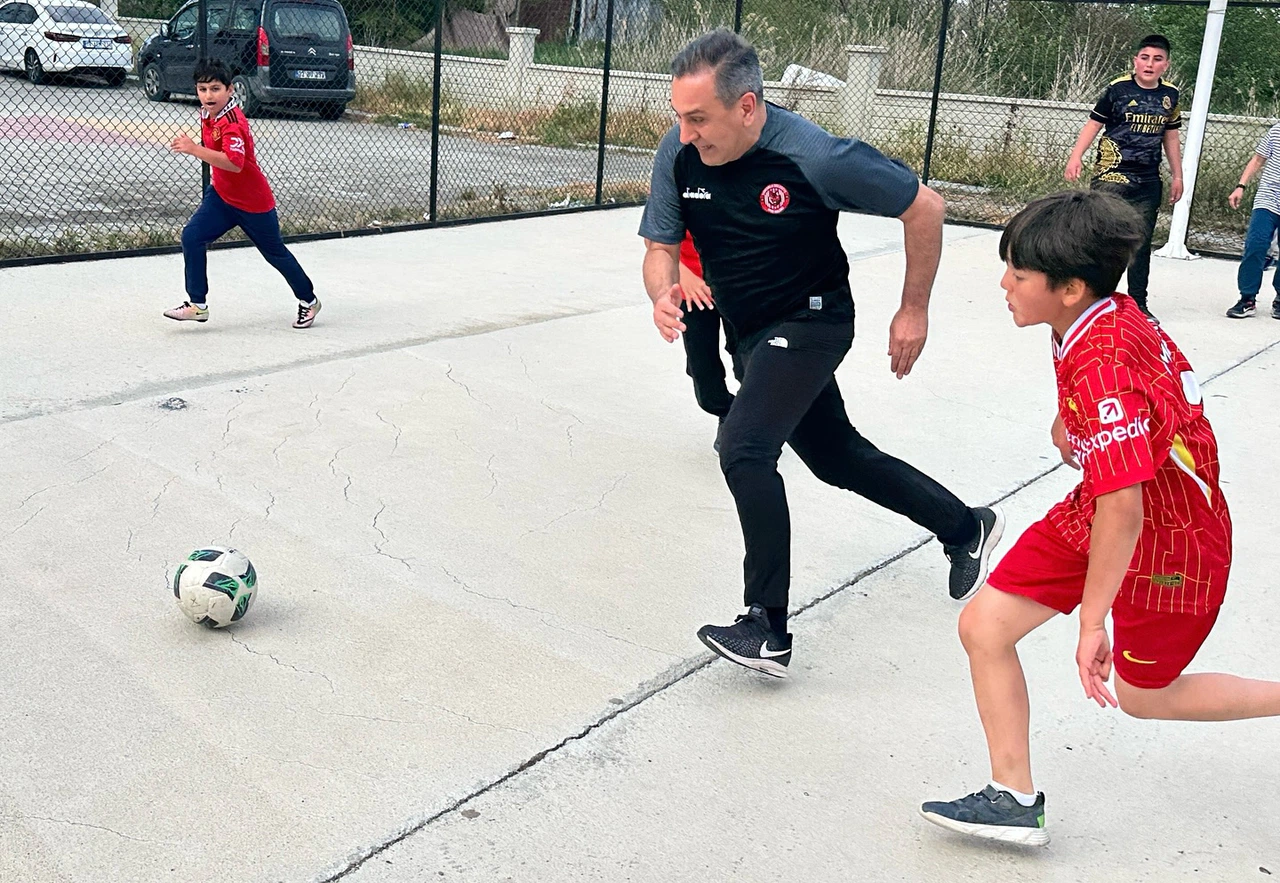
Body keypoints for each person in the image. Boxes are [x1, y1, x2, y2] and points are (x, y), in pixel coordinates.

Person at [639, 29, 1004, 679]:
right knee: (838, 457)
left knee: (744, 446)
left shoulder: (816, 156)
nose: (686, 131)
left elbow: (925, 208)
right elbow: (659, 246)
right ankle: (964, 525)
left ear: (747, 106)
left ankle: (767, 626)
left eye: (699, 117)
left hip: (812, 321)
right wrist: (662, 289)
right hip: (751, 333)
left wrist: (913, 307)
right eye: (680, 116)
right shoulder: (680, 151)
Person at [921, 190, 1280, 846]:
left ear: (1070, 287)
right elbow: (1121, 429)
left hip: (1171, 540)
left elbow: (1126, 505)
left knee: (1143, 693)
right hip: (1110, 504)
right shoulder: (1096, 315)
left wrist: (1093, 622)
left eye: (1018, 274)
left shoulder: (1103, 364)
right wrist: (1069, 426)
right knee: (985, 626)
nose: (1004, 283)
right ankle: (1013, 797)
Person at [165, 58, 321, 329]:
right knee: (192, 236)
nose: (208, 95)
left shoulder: (232, 123)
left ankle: (309, 301)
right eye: (202, 89)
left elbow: (234, 163)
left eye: (215, 89)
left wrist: (193, 149)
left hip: (253, 202)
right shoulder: (207, 113)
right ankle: (197, 305)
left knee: (275, 254)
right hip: (222, 197)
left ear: (230, 90)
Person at [1065, 34, 1183, 320]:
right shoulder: (1117, 90)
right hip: (1112, 176)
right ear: (1135, 60)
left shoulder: (1170, 96)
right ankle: (1092, 298)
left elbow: (1171, 135)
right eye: (1144, 57)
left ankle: (1138, 304)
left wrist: (1178, 175)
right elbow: (1094, 124)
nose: (1149, 64)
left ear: (1165, 64)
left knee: (1140, 243)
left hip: (1147, 179)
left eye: (1157, 59)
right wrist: (1075, 156)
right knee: (1102, 237)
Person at [678, 231, 737, 452]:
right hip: (693, 290)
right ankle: (728, 411)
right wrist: (683, 273)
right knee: (703, 377)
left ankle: (751, 425)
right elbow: (657, 240)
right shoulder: (672, 195)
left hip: (740, 286)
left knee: (748, 364)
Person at [1225, 120, 1280, 319]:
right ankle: (1247, 298)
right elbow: (1258, 159)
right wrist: (1241, 186)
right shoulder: (1277, 130)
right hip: (1269, 196)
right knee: (1256, 244)